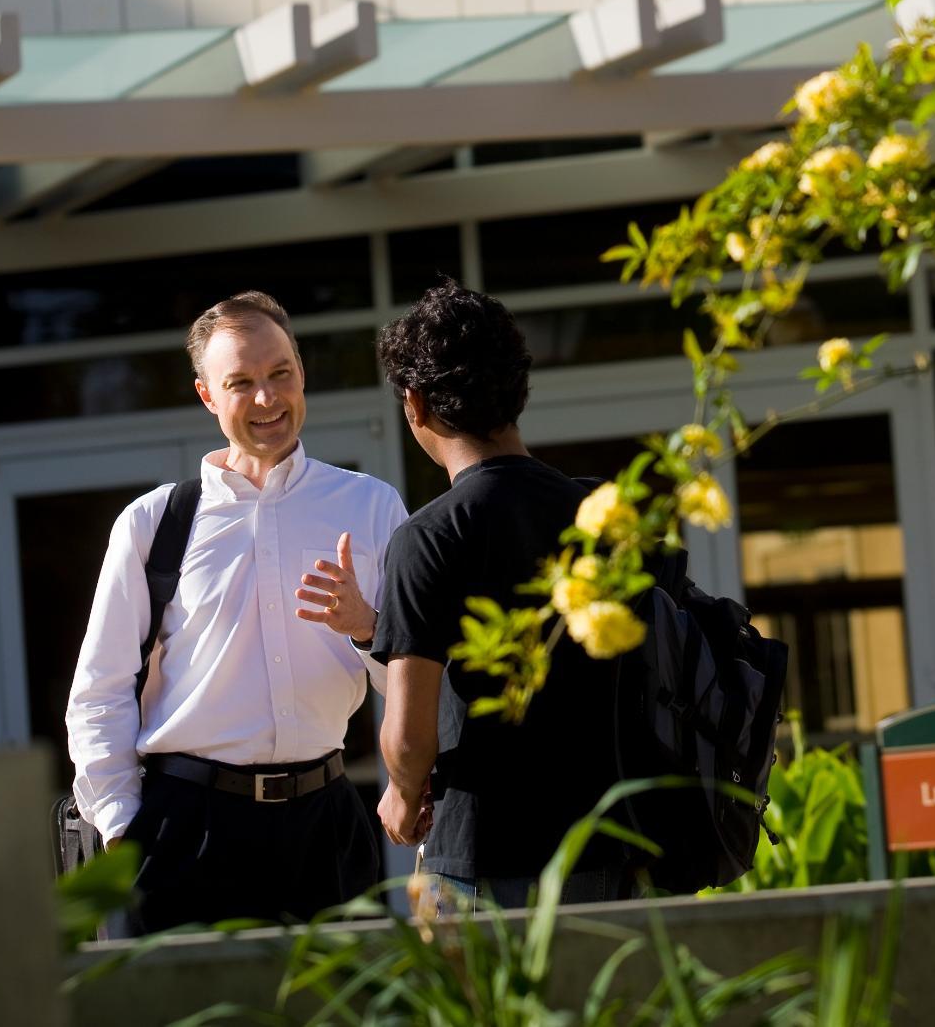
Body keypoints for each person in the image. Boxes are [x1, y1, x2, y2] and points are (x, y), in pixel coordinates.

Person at [66, 290, 407, 932]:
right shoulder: (153, 524)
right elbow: (100, 691)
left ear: (301, 372)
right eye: (241, 383)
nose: (266, 399)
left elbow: (419, 679)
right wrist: (121, 826)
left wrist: (368, 630)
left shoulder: (371, 507)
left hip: (327, 823)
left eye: (280, 374)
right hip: (187, 829)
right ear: (207, 396)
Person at [370, 278, 628, 909]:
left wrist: (403, 795)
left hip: (485, 858)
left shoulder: (428, 538)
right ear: (519, 392)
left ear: (415, 405)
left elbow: (408, 740)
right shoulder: (601, 515)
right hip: (610, 844)